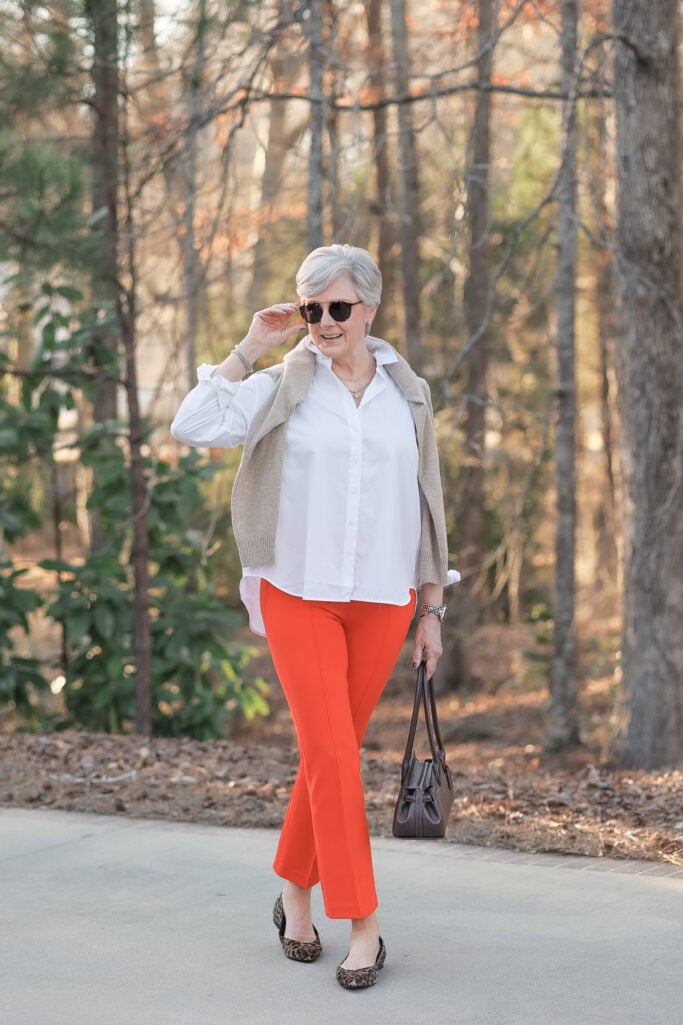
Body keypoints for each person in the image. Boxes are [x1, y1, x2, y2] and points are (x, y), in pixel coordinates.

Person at [171, 243, 457, 990]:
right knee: (333, 754)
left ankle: (294, 892)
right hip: (297, 590)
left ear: (369, 308)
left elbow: (425, 502)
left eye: (337, 308)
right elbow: (192, 422)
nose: (324, 323)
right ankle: (361, 922)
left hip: (384, 599)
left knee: (328, 751)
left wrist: (431, 606)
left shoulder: (408, 393)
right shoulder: (283, 382)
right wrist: (252, 344)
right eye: (311, 309)